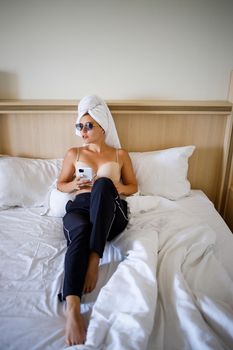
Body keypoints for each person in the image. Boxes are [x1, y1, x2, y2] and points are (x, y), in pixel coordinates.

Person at [57, 95, 138, 346]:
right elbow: (60, 184)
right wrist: (74, 184)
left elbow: (133, 186)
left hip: (111, 210)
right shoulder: (74, 153)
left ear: (103, 126)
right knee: (80, 229)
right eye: (79, 126)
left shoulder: (120, 154)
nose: (83, 131)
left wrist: (115, 186)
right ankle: (72, 306)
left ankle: (95, 257)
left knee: (102, 184)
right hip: (80, 207)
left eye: (89, 125)